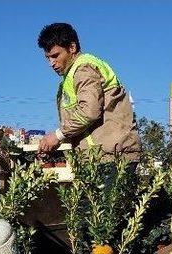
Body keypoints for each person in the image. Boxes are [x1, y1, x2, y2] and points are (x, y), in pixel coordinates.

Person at [37, 22, 142, 162]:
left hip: (112, 156)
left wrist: (57, 135)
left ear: (72, 47)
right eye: (48, 58)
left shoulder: (84, 69)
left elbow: (89, 111)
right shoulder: (70, 77)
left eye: (55, 55)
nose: (51, 63)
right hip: (99, 156)